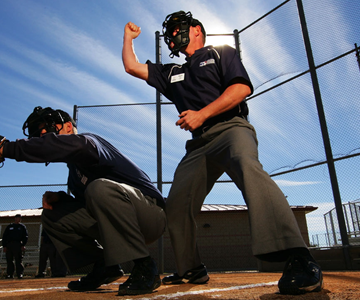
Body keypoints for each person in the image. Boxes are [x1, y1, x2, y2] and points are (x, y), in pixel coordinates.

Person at [122, 11, 323, 295]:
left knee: (247, 167)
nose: (171, 34)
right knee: (177, 202)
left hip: (231, 129)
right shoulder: (171, 72)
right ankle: (190, 268)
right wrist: (128, 38)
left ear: (196, 30)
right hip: (198, 144)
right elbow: (132, 67)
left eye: (178, 27)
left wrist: (202, 114)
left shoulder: (219, 53)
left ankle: (300, 259)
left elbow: (240, 88)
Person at [0, 106, 166, 296]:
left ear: (68, 127)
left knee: (99, 188)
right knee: (53, 213)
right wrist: (61, 198)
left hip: (151, 214)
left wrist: (6, 148)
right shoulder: (74, 175)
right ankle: (105, 266)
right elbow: (89, 207)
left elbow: (74, 152)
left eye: (49, 131)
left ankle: (145, 266)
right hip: (118, 222)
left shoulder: (88, 141)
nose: (43, 135)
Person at [2, 214, 28, 279]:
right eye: (17, 218)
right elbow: (4, 236)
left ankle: (20, 273)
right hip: (9, 245)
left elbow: (25, 236)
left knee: (18, 260)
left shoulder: (22, 227)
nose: (18, 219)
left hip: (18, 244)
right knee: (9, 260)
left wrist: (23, 245)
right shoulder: (10, 226)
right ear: (15, 218)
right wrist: (4, 246)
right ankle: (10, 274)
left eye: (20, 218)